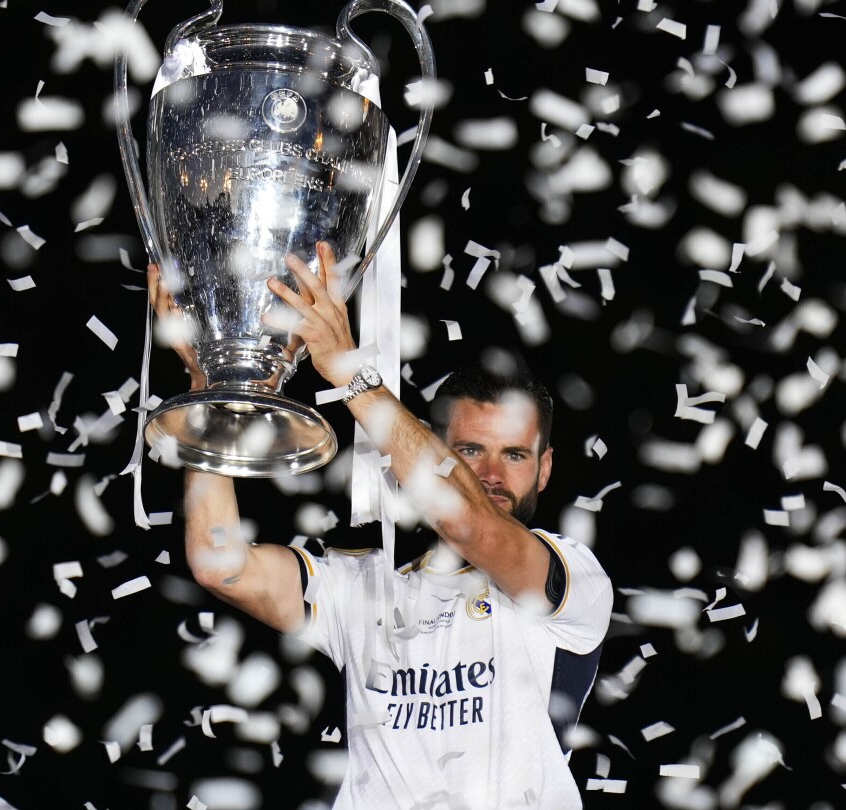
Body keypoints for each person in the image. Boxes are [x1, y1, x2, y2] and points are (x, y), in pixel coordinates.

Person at [148, 242, 613, 809]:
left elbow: (474, 527)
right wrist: (209, 392)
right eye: (469, 451)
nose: (492, 474)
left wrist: (350, 373)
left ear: (544, 469)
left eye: (514, 455)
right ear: (430, 448)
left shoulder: (573, 576)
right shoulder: (364, 586)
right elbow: (220, 566)